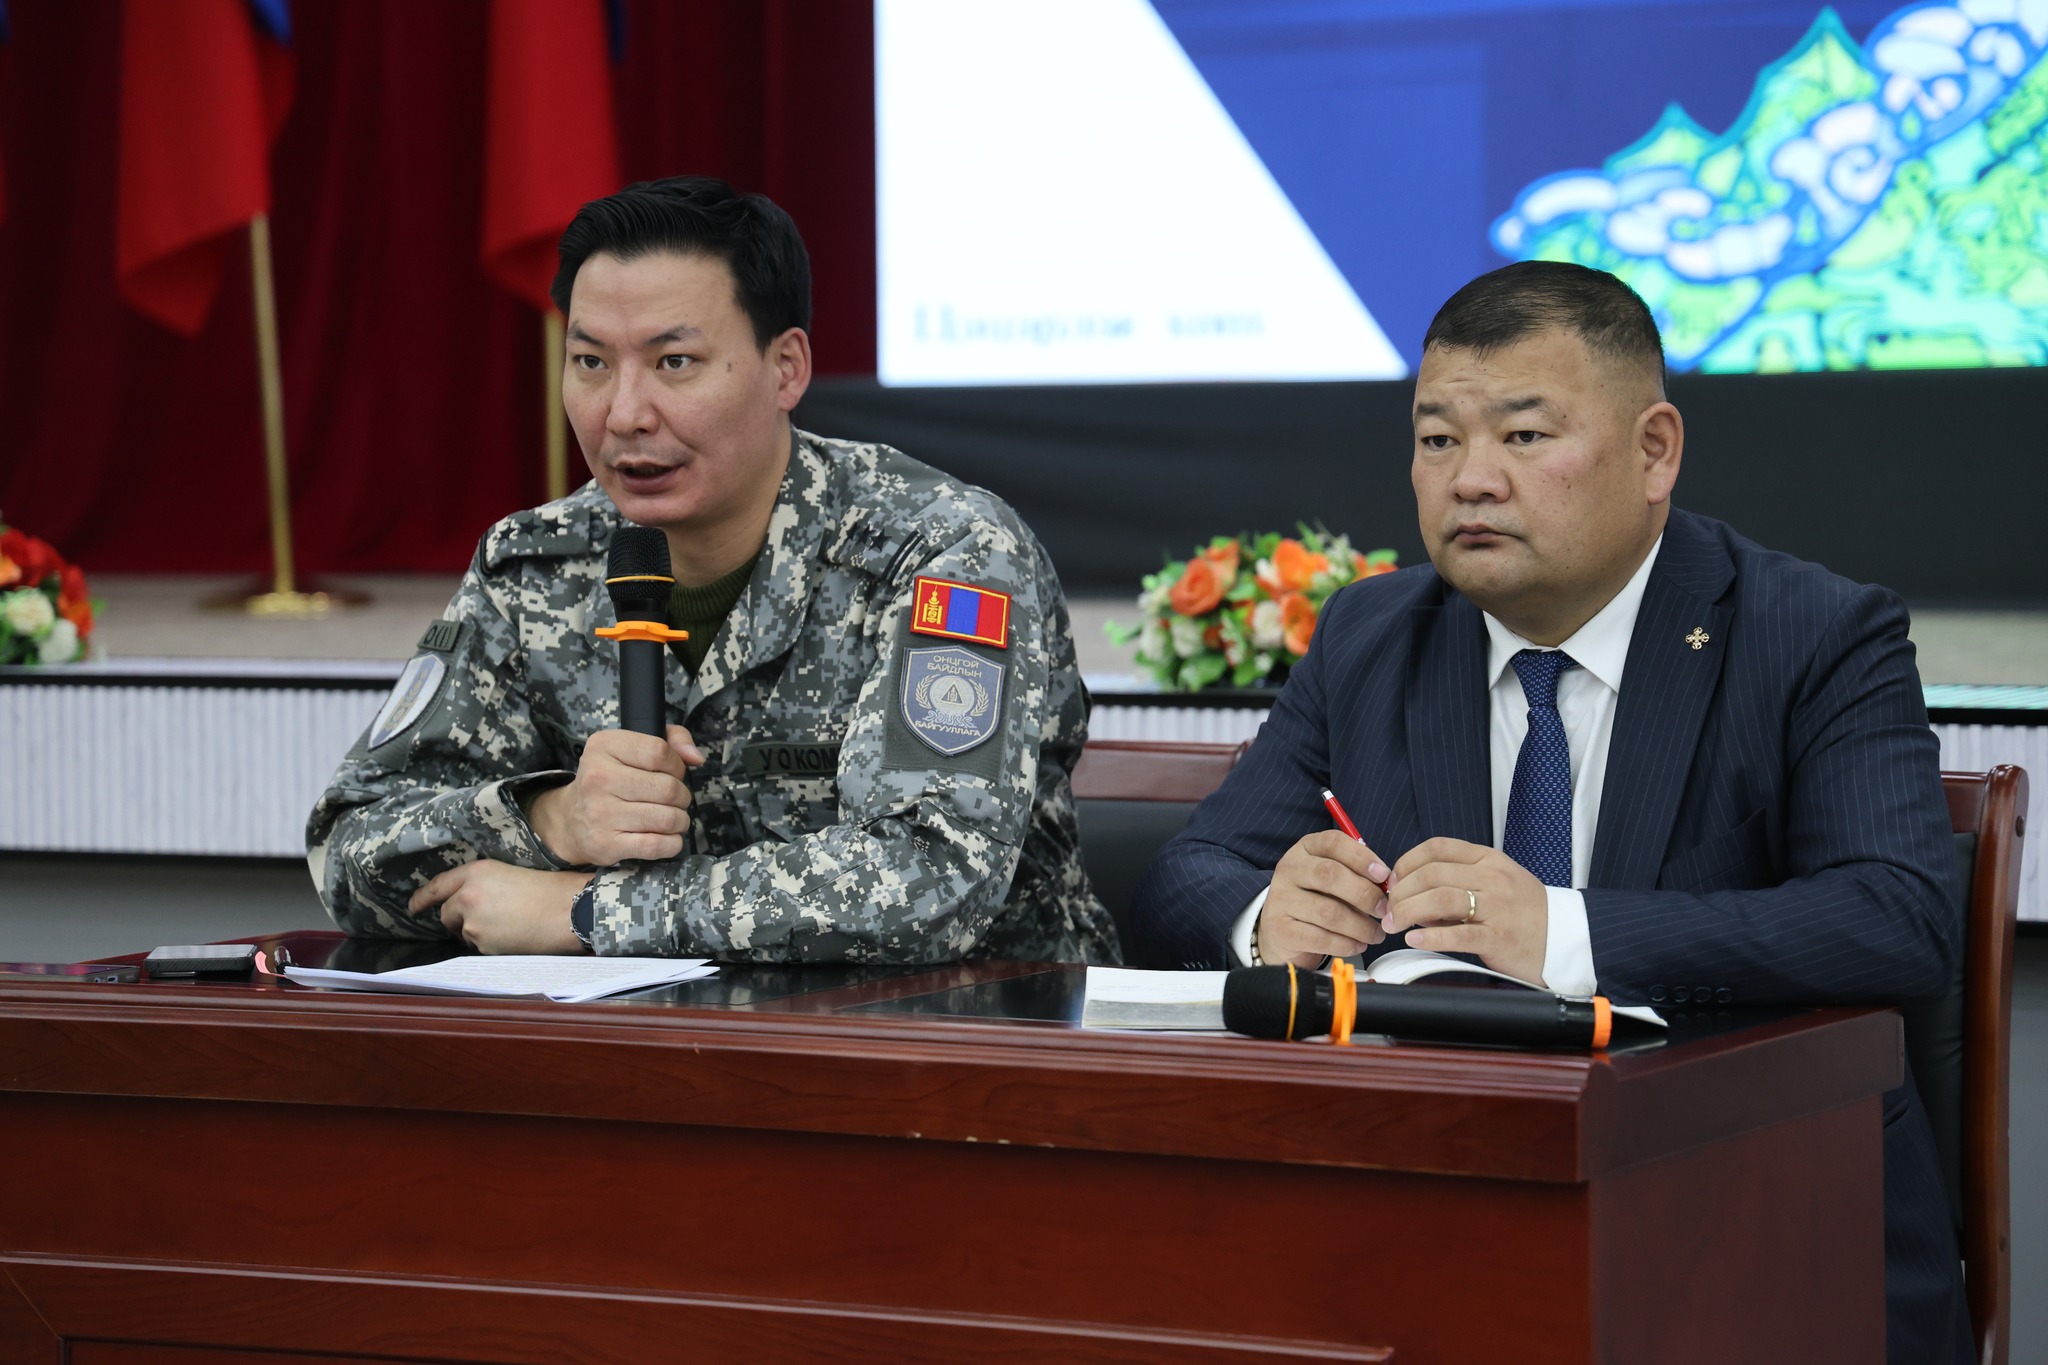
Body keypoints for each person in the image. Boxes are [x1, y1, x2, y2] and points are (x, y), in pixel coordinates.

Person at [1126, 262, 1969, 1361]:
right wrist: (1266, 921)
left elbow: (1897, 915)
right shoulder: (1372, 636)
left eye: (1522, 436)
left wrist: (1560, 933)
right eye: (1438, 439)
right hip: (1431, 1222)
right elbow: (1187, 876)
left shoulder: (1812, 633)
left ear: (1653, 451)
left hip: (1757, 1224)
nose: (1471, 480)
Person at [308, 176, 1114, 966]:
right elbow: (348, 851)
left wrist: (587, 911)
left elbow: (930, 879)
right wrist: (553, 819)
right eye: (590, 362)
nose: (625, 412)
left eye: (674, 362)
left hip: (959, 1033)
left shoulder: (943, 551)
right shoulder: (533, 565)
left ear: (786, 368)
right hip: (639, 1042)